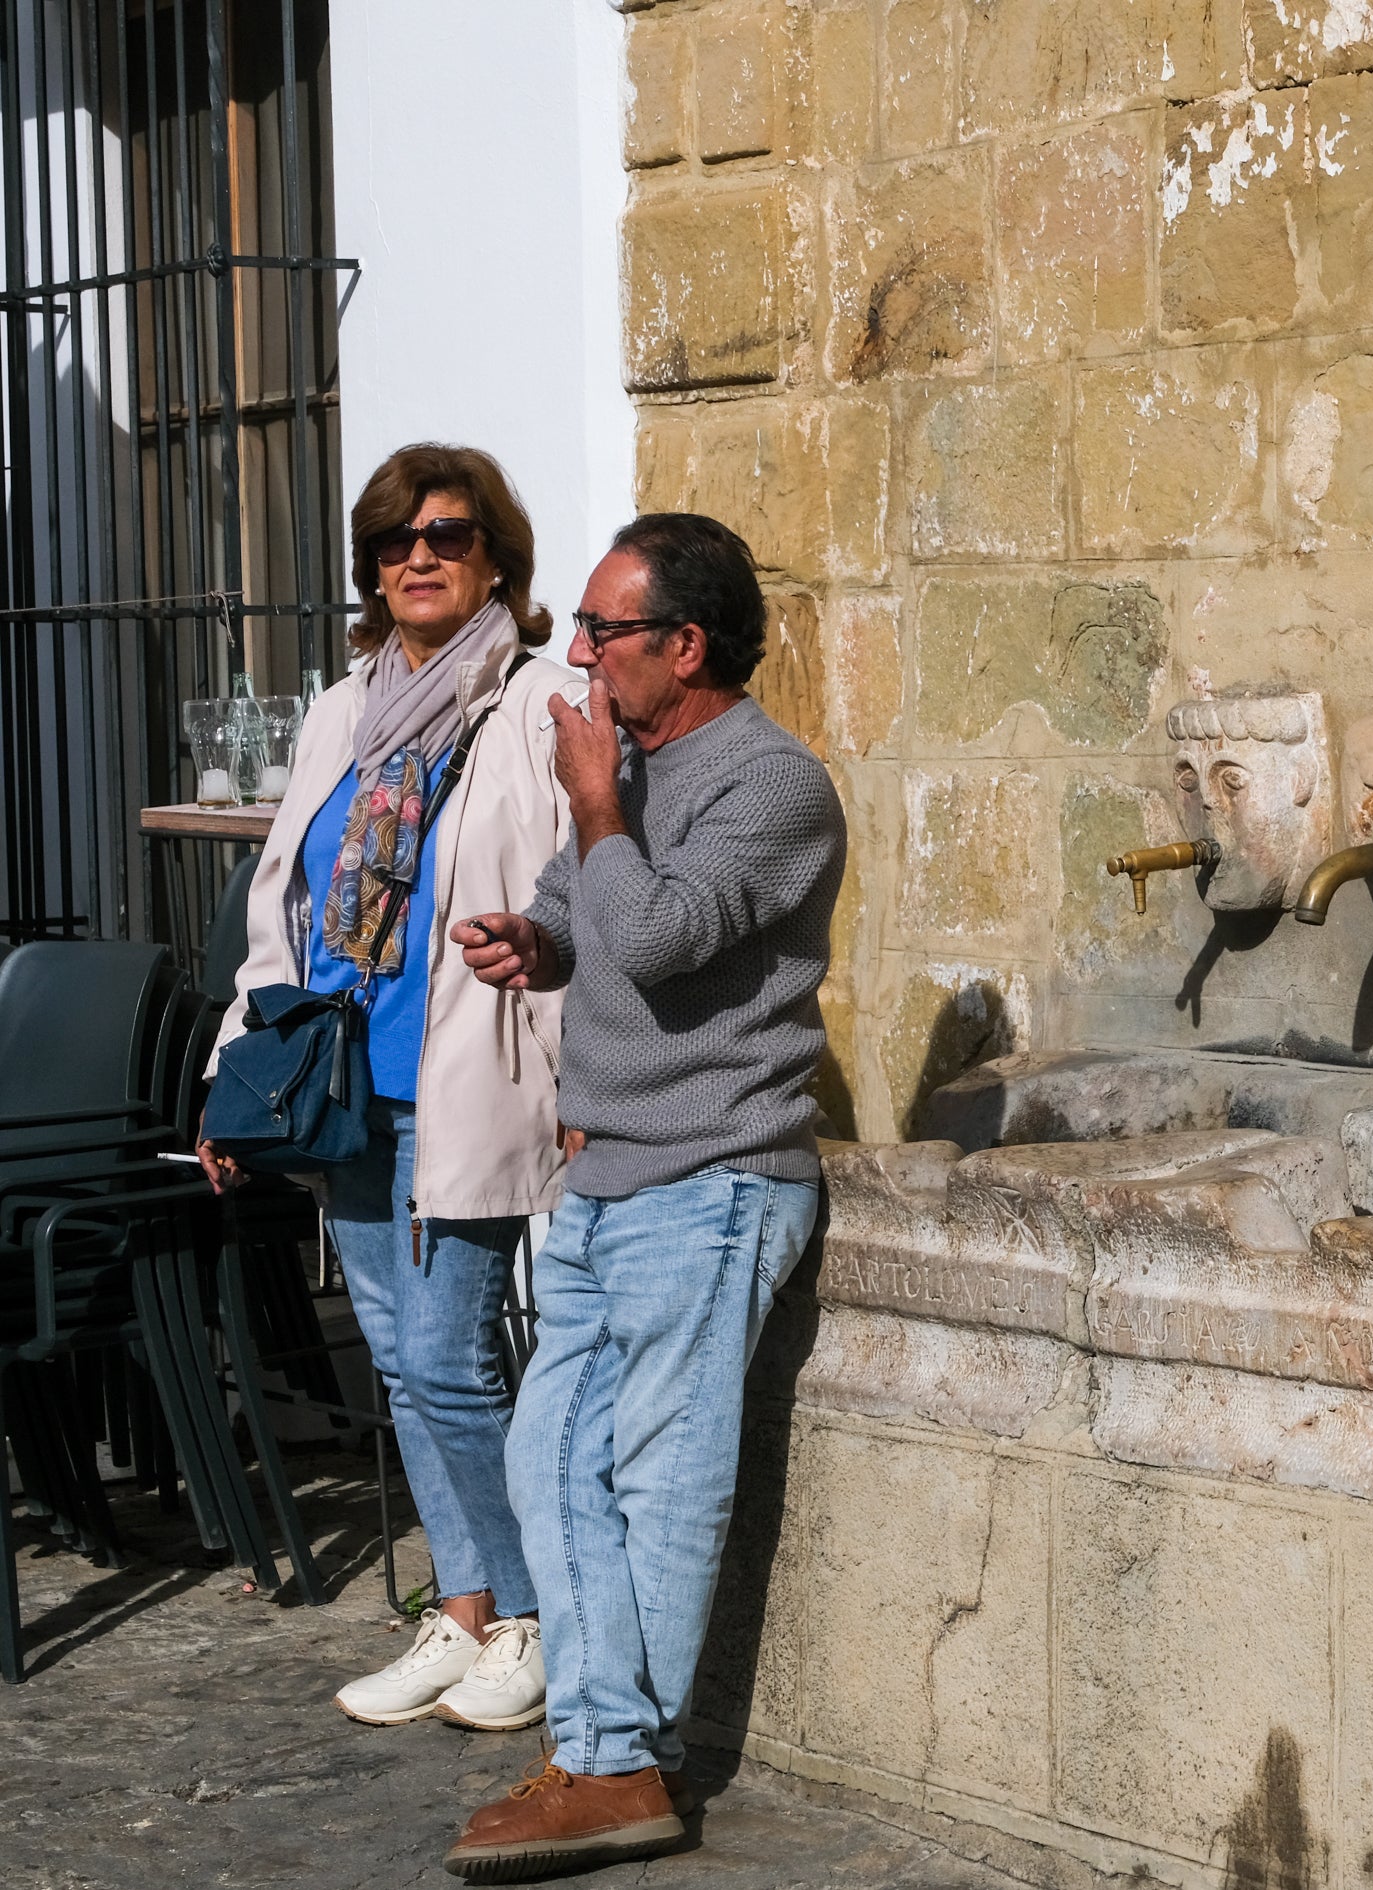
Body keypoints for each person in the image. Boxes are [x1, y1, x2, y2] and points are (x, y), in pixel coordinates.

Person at [439, 513, 844, 1880]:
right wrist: (534, 941)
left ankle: (618, 1764)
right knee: (549, 1458)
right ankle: (604, 1750)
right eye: (583, 626)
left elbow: (665, 937)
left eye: (606, 630)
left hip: (715, 1175)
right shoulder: (629, 762)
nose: (580, 650)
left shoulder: (771, 785)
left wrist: (598, 803)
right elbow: (593, 917)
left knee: (662, 1480)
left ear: (686, 645)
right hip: (613, 1167)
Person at [200, 443, 572, 1731]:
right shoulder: (339, 709)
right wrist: (231, 1073)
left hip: (464, 1070)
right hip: (343, 1076)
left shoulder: (532, 704)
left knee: (449, 1352)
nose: (420, 557)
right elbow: (284, 904)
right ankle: (461, 1614)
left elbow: (576, 885)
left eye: (450, 536)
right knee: (402, 1369)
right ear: (371, 568)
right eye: (396, 541)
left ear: (496, 563)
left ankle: (530, 1618)